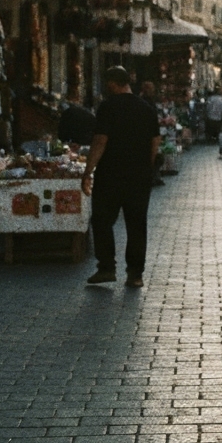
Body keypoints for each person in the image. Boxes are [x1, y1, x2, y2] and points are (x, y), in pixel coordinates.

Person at [82, 66, 161, 287]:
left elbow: (100, 141)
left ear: (111, 83)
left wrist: (88, 171)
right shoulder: (146, 108)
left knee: (102, 220)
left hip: (111, 174)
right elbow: (155, 141)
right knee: (136, 224)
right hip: (139, 176)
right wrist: (147, 166)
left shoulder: (108, 107)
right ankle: (135, 274)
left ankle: (106, 267)